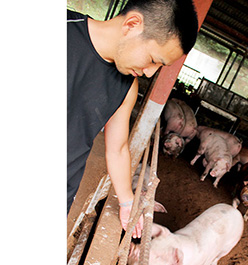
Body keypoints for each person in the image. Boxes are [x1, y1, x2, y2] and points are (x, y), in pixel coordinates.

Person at [67, 0, 198, 238]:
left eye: (160, 66)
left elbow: (117, 149)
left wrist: (127, 202)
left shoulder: (126, 87)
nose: (150, 72)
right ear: (132, 24)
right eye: (152, 59)